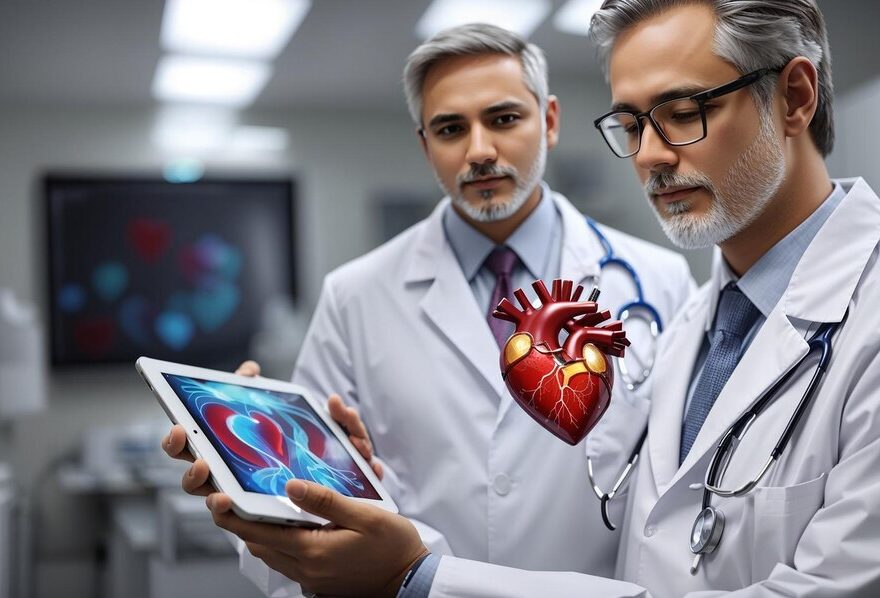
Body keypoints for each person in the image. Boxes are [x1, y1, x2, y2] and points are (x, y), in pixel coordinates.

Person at [194, 1, 880, 596]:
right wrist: (300, 483)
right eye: (633, 125)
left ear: (794, 97)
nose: (648, 155)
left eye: (682, 112)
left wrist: (420, 578)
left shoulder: (661, 282)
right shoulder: (711, 311)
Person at [164, 22, 695, 597]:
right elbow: (303, 506)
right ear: (424, 145)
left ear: (549, 121)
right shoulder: (355, 296)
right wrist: (249, 466)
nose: (480, 150)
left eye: (504, 118)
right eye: (450, 129)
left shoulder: (659, 281)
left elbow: (683, 496)